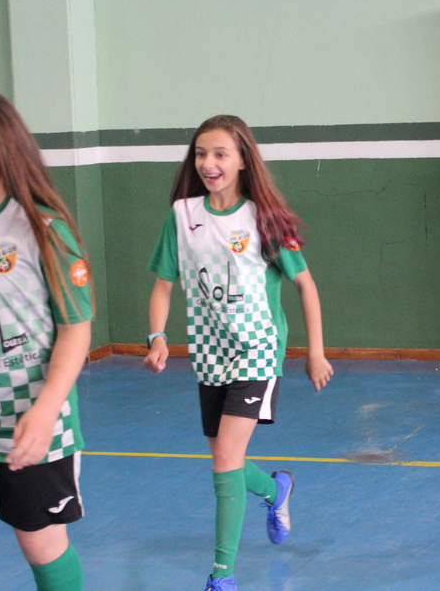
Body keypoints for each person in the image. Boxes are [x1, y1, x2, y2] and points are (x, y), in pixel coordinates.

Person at [144, 115, 334, 591]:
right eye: (200, 154)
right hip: (209, 354)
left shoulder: (264, 219)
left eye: (220, 154)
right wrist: (157, 337)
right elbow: (163, 285)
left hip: (258, 351)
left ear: (243, 160)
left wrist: (315, 352)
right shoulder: (182, 216)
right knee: (224, 460)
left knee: (225, 459)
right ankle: (276, 489)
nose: (208, 163)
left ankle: (221, 576)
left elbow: (306, 285)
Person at [0, 91, 93, 591]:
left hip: (35, 421)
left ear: (6, 147)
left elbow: (75, 327)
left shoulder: (43, 228)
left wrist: (45, 411)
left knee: (41, 545)